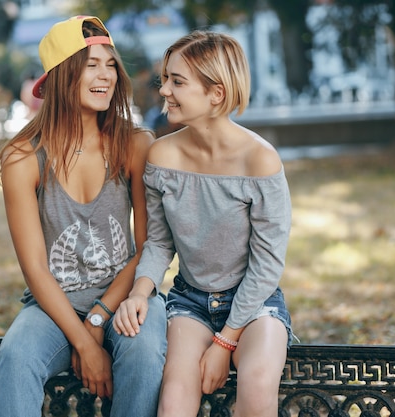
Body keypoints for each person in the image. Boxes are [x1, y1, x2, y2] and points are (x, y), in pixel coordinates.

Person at [0, 16, 167, 417]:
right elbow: (35, 268)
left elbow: (149, 248)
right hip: (56, 305)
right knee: (16, 358)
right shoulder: (23, 158)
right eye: (91, 65)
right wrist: (85, 343)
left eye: (110, 64)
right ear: (61, 77)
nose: (105, 75)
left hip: (125, 296)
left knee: (142, 352)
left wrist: (101, 316)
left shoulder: (135, 144)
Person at [112, 30, 295, 417]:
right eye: (165, 79)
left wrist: (225, 343)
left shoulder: (260, 161)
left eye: (177, 81)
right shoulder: (162, 156)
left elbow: (266, 266)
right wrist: (140, 293)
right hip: (190, 302)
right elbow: (159, 244)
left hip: (254, 304)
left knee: (258, 386)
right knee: (175, 401)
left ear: (217, 93)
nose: (164, 90)